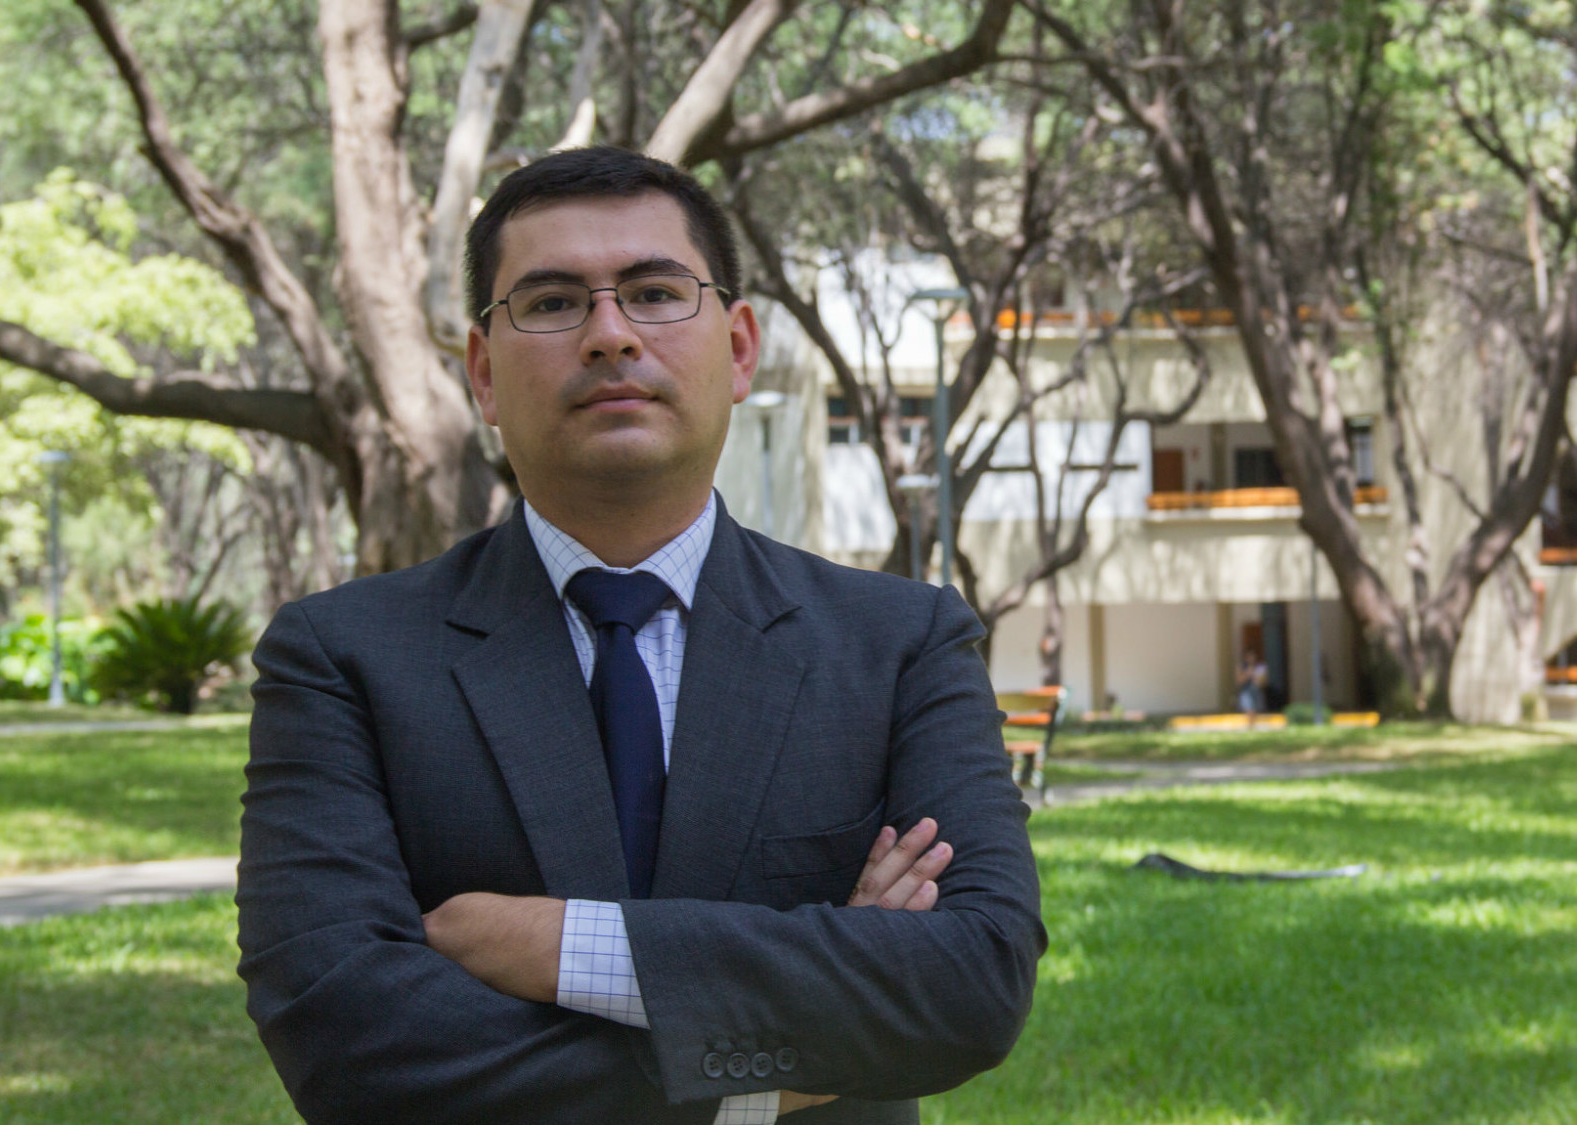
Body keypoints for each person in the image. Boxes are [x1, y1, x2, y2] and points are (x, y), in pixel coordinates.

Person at [236, 146, 1044, 1125]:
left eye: (656, 293)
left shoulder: (900, 643)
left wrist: (564, 948)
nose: (610, 335)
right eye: (551, 302)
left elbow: (974, 977)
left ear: (738, 349)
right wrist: (783, 1054)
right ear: (483, 375)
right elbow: (343, 1035)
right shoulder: (342, 659)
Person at [1236, 648, 1268, 723]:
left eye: (1253, 656)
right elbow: (1239, 681)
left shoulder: (1260, 667)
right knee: (1249, 711)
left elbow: (1263, 683)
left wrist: (1256, 677)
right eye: (1249, 656)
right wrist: (1247, 673)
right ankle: (1250, 726)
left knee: (1258, 713)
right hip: (1246, 692)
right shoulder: (1241, 667)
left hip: (1256, 692)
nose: (1251, 658)